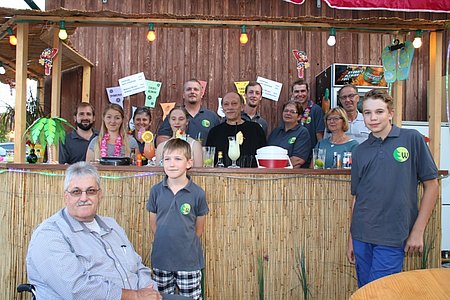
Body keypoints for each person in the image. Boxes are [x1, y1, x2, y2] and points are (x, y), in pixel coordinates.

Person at [26, 162, 161, 299]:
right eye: (76, 192)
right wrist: (136, 296)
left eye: (91, 191)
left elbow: (139, 267)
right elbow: (77, 289)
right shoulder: (49, 235)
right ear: (66, 197)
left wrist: (148, 290)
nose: (84, 198)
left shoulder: (111, 226)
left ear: (100, 195)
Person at [346, 89, 439, 288]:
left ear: (391, 113)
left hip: (393, 235)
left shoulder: (412, 139)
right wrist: (351, 239)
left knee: (383, 291)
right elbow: (357, 198)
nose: (373, 118)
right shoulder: (360, 151)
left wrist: (417, 231)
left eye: (379, 112)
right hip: (362, 234)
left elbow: (432, 186)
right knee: (366, 290)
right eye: (368, 113)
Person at [147, 139, 209, 299]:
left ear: (189, 163)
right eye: (167, 159)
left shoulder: (197, 193)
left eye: (178, 159)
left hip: (189, 263)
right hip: (161, 261)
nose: (171, 164)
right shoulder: (156, 191)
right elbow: (154, 224)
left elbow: (198, 229)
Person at [206, 92, 267, 167]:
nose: (230, 107)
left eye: (234, 103)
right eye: (226, 104)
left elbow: (264, 157)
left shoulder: (255, 130)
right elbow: (209, 160)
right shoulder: (215, 132)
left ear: (242, 107)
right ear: (222, 108)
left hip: (251, 176)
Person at [156, 79, 220, 146]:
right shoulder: (174, 115)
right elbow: (161, 139)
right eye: (189, 89)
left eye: (196, 89)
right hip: (180, 155)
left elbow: (219, 140)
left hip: (204, 156)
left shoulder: (212, 117)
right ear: (183, 95)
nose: (192, 92)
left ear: (201, 94)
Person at [268, 101, 311, 168]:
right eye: (286, 111)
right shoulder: (275, 132)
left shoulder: (302, 132)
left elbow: (298, 160)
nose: (288, 113)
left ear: (299, 117)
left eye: (292, 112)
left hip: (291, 175)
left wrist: (276, 167)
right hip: (271, 172)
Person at [291, 79, 325, 148]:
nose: (300, 94)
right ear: (292, 93)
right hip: (293, 152)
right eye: (296, 91)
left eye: (303, 91)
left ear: (308, 92)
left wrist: (318, 154)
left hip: (310, 154)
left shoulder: (316, 110)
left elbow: (320, 136)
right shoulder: (289, 111)